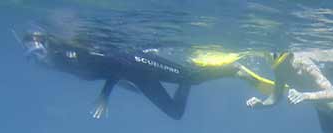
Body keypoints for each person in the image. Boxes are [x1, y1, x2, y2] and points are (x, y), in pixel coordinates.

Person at [18, 29, 267, 120]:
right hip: (134, 74)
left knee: (194, 77)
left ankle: (234, 69)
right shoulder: (63, 63)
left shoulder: (72, 54)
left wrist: (106, 95)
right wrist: (123, 85)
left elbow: (113, 63)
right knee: (175, 112)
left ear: (47, 43)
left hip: (136, 62)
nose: (39, 58)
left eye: (38, 50)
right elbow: (107, 69)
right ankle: (189, 72)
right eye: (32, 56)